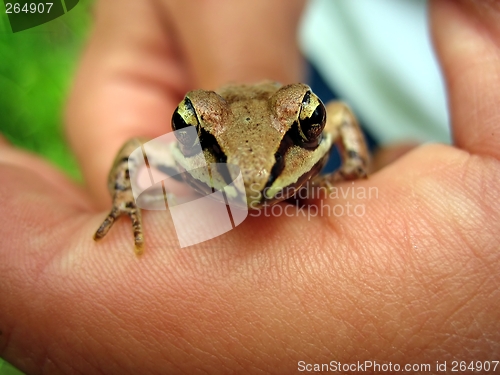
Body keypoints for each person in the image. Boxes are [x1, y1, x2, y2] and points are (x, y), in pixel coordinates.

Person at [0, 0, 499, 373]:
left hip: (303, 105)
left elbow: (339, 115)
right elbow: (134, 147)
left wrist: (355, 168)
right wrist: (125, 198)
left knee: (309, 107)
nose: (250, 183)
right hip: (321, 51)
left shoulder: (313, 119)